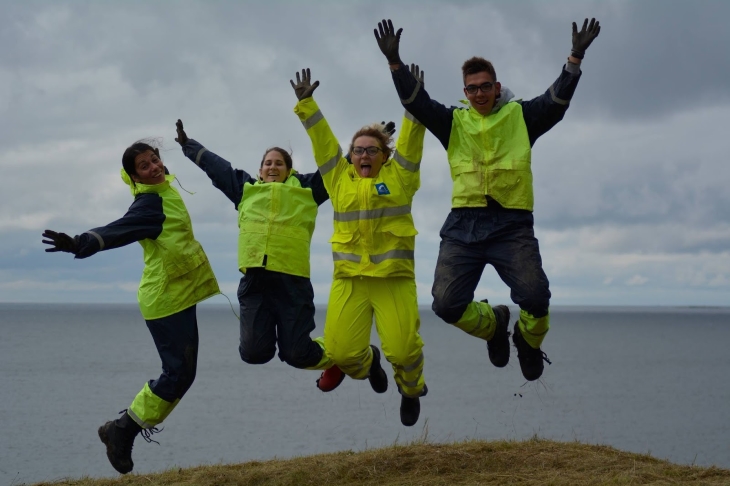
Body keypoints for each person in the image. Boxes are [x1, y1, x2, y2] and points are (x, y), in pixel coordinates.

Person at [374, 18, 601, 381]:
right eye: (471, 89)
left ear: (497, 87)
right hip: (464, 226)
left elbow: (556, 102)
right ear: (464, 92)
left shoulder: (521, 116)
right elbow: (418, 103)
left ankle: (527, 341)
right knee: (446, 305)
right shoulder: (454, 122)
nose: (479, 94)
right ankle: (494, 324)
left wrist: (574, 57)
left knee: (536, 296)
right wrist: (395, 64)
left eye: (485, 87)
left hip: (511, 226)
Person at [42, 141, 220, 474]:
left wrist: (175, 147)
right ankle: (121, 430)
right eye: (144, 166)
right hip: (166, 298)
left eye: (155, 160)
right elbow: (118, 230)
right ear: (134, 176)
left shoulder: (162, 185)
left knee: (183, 373)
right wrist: (80, 243)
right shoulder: (151, 204)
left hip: (178, 293)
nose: (154, 167)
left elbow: (142, 173)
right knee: (178, 374)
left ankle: (123, 429)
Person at [291, 67, 428, 426]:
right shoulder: (337, 179)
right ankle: (370, 365)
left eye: (371, 150)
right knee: (340, 352)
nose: (363, 155)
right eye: (357, 150)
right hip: (349, 280)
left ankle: (411, 390)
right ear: (350, 156)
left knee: (404, 350)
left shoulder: (402, 176)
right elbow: (322, 142)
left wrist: (414, 101)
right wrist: (307, 104)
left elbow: (412, 138)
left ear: (385, 155)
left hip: (392, 280)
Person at [175, 120, 346, 391]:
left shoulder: (307, 190)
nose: (273, 167)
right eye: (268, 163)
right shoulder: (246, 189)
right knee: (254, 354)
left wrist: (371, 146)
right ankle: (331, 355)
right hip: (255, 282)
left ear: (289, 170)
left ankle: (340, 357)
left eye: (279, 163)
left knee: (297, 355)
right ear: (260, 169)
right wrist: (188, 146)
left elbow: (337, 170)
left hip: (293, 284)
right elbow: (218, 168)